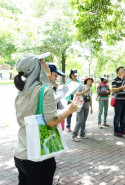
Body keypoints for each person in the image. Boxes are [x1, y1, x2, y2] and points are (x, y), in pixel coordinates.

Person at [14, 52, 78, 185]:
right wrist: (69, 110)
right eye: (42, 61)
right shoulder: (44, 89)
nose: (46, 64)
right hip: (37, 157)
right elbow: (51, 121)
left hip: (20, 154)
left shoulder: (21, 91)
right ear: (37, 67)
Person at [112, 67, 125, 137]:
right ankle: (116, 131)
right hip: (118, 100)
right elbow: (113, 89)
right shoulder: (115, 80)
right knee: (117, 116)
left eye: (123, 70)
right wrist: (120, 88)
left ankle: (122, 129)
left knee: (123, 116)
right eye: (121, 69)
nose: (123, 70)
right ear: (117, 71)